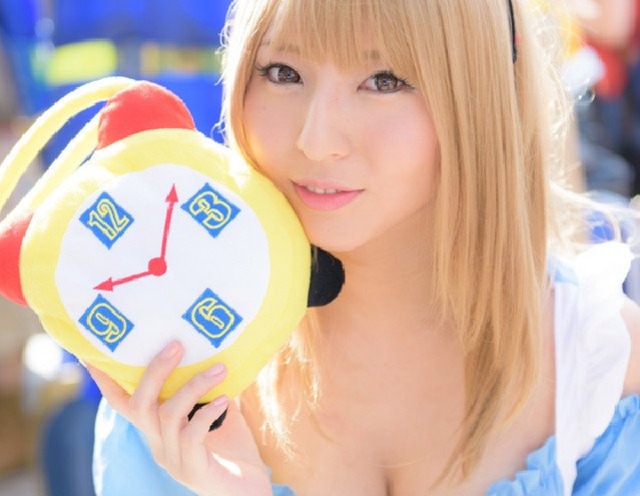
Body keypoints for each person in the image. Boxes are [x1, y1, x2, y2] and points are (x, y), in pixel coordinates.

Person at [86, 0, 640, 494]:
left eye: (384, 80)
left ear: (479, 93)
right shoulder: (176, 357)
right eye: (283, 72)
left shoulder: (600, 362)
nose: (316, 139)